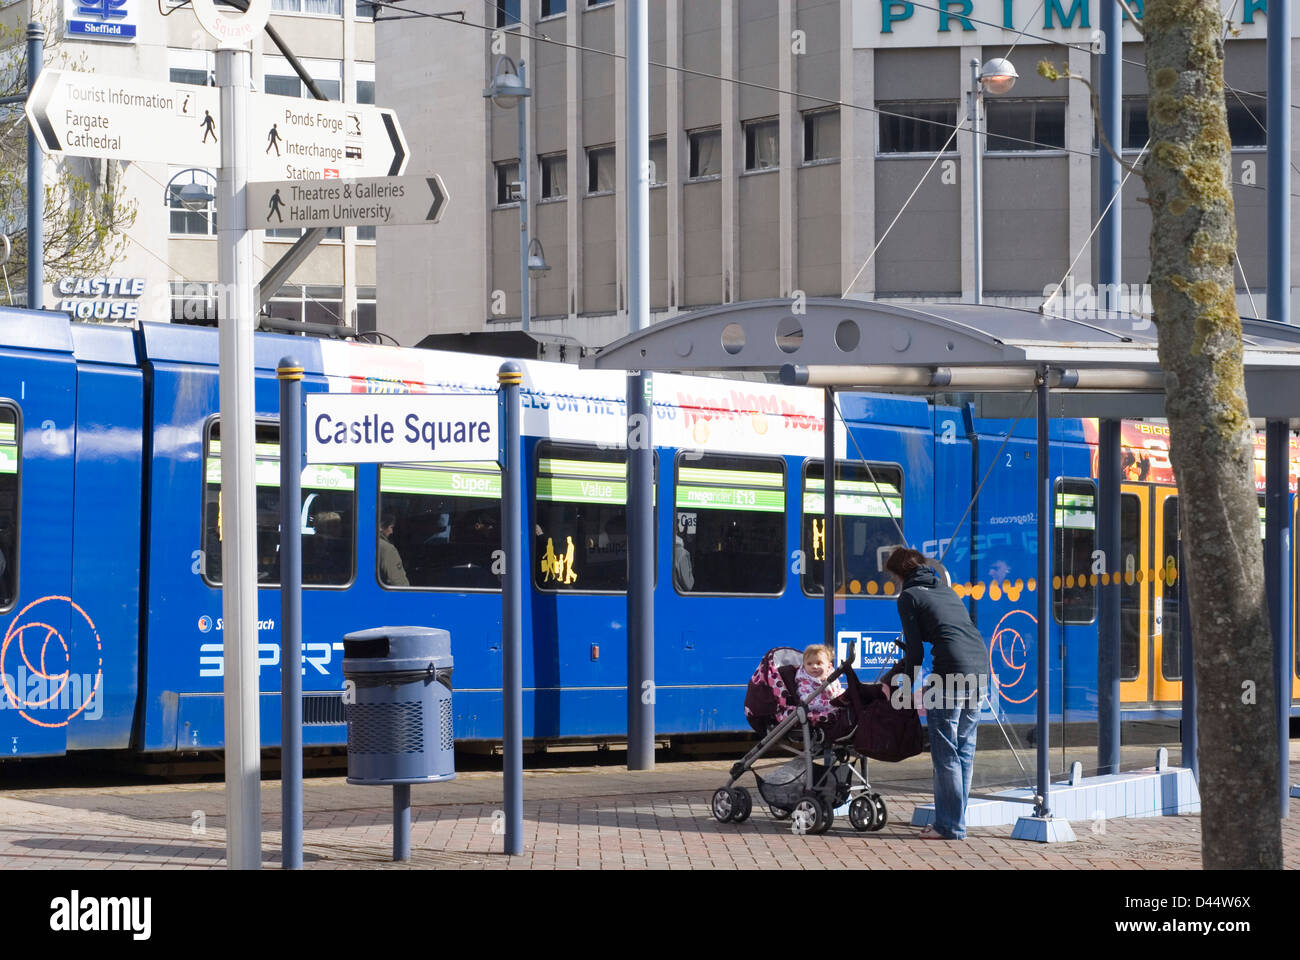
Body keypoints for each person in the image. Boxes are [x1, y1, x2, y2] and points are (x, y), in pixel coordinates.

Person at [882, 546, 990, 841]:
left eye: (892, 576)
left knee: (945, 753)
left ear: (898, 573)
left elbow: (915, 651)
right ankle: (954, 822)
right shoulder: (943, 589)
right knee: (964, 749)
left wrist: (903, 687)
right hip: (980, 667)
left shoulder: (909, 597)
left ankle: (949, 826)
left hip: (951, 671)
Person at [795, 643, 844, 723]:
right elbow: (807, 701)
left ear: (828, 666)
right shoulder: (804, 682)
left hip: (833, 707)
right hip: (815, 712)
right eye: (809, 664)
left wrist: (842, 697)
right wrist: (831, 704)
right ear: (804, 666)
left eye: (818, 663)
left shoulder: (832, 677)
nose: (814, 666)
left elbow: (837, 691)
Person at [378, 513, 409, 586]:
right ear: (381, 527)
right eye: (391, 527)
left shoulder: (365, 542)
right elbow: (397, 580)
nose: (392, 532)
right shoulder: (387, 549)